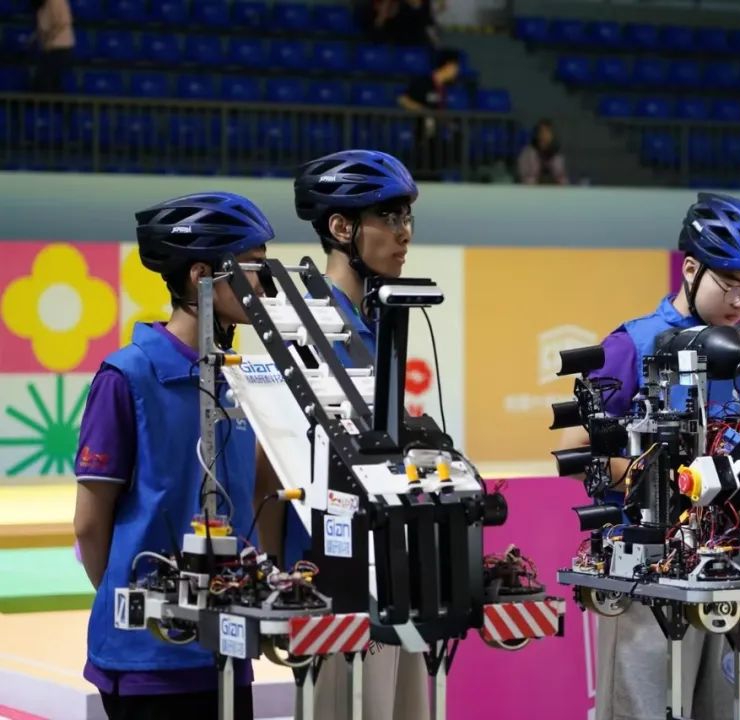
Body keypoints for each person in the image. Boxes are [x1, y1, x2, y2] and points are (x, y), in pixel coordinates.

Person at [559, 193, 740, 720]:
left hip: (729, 566)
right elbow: (574, 451)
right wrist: (661, 482)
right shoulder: (632, 344)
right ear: (690, 269)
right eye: (732, 285)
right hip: (648, 572)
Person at [72, 192, 275, 720]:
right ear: (200, 275)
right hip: (148, 664)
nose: (263, 284)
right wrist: (139, 609)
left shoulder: (238, 379)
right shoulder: (127, 377)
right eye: (251, 267)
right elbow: (90, 525)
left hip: (227, 649)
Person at [263, 149, 428, 720]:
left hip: (392, 567)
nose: (405, 233)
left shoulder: (377, 319)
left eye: (407, 217)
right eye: (390, 216)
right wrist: (280, 575)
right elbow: (270, 459)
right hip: (332, 579)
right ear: (341, 227)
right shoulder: (304, 326)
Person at [398, 49, 462, 177]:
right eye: (455, 68)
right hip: (422, 136)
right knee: (423, 170)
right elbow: (403, 100)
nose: (457, 71)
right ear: (448, 66)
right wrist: (426, 112)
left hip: (437, 136)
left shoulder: (444, 88)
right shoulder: (424, 82)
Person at [30, 0, 75, 93]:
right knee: (47, 81)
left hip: (60, 47)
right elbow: (42, 27)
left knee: (44, 80)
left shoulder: (56, 1)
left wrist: (49, 39)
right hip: (48, 48)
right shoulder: (40, 5)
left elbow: (63, 22)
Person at [517, 119, 569, 185]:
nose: (544, 134)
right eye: (541, 131)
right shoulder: (527, 153)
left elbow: (563, 177)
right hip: (532, 188)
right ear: (537, 134)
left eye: (547, 131)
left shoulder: (557, 155)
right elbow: (523, 176)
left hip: (553, 188)